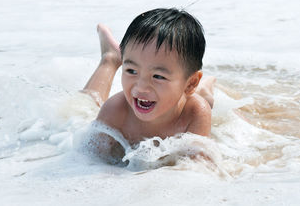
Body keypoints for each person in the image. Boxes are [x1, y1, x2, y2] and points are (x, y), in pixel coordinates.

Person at [82, 8, 215, 148]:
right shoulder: (115, 110)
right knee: (80, 110)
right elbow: (89, 160)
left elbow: (196, 165)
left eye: (158, 76)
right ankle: (110, 59)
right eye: (131, 71)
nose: (141, 87)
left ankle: (203, 88)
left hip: (188, 95)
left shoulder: (194, 113)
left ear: (190, 83)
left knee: (203, 99)